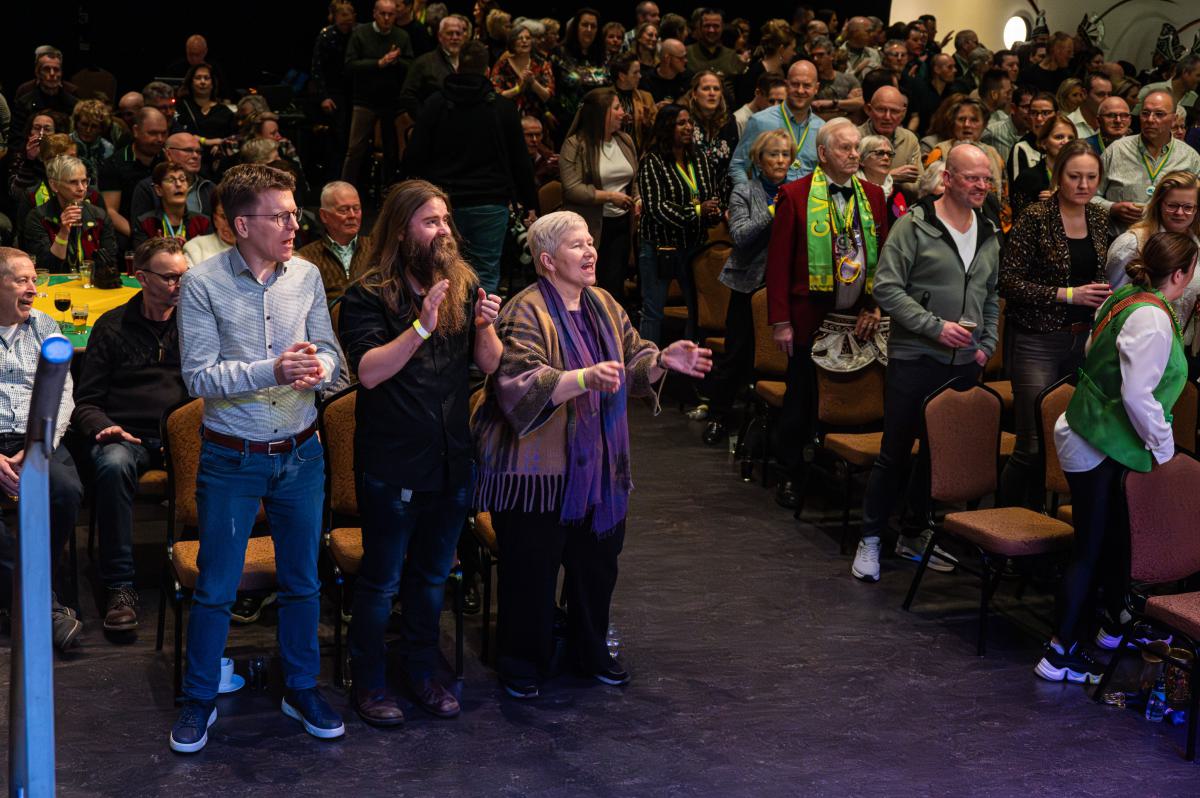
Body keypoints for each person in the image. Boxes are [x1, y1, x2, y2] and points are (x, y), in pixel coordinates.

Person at [471, 209, 711, 698]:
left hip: (600, 470)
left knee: (596, 570)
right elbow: (518, 383)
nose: (591, 252)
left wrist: (661, 361)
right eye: (577, 245)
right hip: (535, 476)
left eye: (590, 243)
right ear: (547, 260)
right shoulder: (524, 310)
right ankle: (522, 662)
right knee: (531, 576)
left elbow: (634, 357)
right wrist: (583, 378)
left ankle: (590, 649)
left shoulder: (603, 303)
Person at [170, 164, 343, 753]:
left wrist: (318, 367)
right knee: (217, 587)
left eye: (295, 214)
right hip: (232, 457)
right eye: (281, 216)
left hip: (302, 453)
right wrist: (274, 369)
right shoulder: (202, 283)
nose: (294, 225)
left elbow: (332, 356)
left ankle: (301, 687)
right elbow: (199, 377)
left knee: (303, 582)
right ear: (242, 225)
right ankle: (199, 698)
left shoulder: (308, 275)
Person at [338, 179, 501, 725]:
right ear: (402, 229)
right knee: (382, 581)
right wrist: (420, 328)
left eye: (446, 220)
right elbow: (368, 372)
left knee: (432, 579)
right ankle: (369, 683)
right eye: (431, 222)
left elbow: (489, 364)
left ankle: (422, 672)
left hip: (451, 458)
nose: (444, 231)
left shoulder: (461, 285)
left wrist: (485, 327)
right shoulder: (367, 294)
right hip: (393, 462)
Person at [1036, 231, 1198, 684]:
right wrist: (1164, 448)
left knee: (1112, 539)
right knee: (1089, 547)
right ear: (1181, 274)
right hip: (1096, 440)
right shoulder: (1154, 318)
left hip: (1092, 431)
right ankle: (1060, 652)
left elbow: (1095, 354)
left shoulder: (1127, 296)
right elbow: (1137, 396)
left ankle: (1112, 623)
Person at [852, 143, 1002, 583]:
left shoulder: (989, 230)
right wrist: (934, 327)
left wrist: (987, 343)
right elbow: (886, 288)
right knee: (896, 452)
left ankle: (913, 533)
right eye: (972, 178)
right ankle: (871, 538)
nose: (981, 186)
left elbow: (991, 293)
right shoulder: (914, 225)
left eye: (986, 179)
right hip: (916, 356)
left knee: (938, 455)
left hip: (965, 361)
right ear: (948, 179)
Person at [763, 118, 889, 508]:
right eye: (844, 148)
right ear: (822, 154)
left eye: (856, 148)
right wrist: (781, 321)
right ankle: (790, 473)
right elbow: (778, 264)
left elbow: (885, 257)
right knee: (801, 398)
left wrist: (877, 305)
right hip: (809, 316)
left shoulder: (874, 195)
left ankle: (834, 466)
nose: (854, 154)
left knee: (849, 398)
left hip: (857, 316)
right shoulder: (794, 195)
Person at [72, 237, 192, 634]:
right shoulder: (112, 327)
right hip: (129, 436)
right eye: (170, 277)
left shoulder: (196, 323)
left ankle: (206, 570)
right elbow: (85, 401)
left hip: (184, 435)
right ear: (141, 278)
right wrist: (103, 427)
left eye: (185, 276)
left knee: (228, 458)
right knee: (112, 463)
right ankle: (120, 586)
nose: (179, 285)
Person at [998, 140, 1112, 508]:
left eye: (1091, 177)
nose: (1083, 185)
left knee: (1073, 440)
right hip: (1037, 339)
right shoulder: (1035, 216)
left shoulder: (1098, 217)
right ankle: (1004, 524)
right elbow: (1008, 282)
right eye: (1075, 176)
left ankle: (1047, 525)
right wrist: (1068, 295)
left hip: (1083, 342)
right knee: (1033, 444)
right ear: (1058, 176)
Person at [0, 247, 84, 652]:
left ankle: (17, 600)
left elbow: (64, 392)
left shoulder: (45, 326)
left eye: (35, 279)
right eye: (22, 280)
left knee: (66, 491)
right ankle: (42, 606)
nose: (33, 288)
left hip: (38, 434)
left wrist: (41, 442)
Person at [405, 41, 538, 295]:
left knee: (439, 270)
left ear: (457, 67)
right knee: (485, 274)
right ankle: (481, 320)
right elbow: (520, 161)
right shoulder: (503, 108)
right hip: (490, 204)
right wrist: (530, 202)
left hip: (442, 203)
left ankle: (443, 318)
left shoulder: (435, 104)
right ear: (487, 70)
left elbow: (415, 156)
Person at [701, 129, 793, 445]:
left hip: (784, 286)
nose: (780, 160)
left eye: (785, 154)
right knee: (737, 353)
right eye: (773, 154)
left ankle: (777, 427)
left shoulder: (798, 191)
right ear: (759, 160)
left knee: (782, 356)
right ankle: (718, 416)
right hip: (747, 283)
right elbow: (740, 235)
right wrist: (774, 209)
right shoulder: (744, 191)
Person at [636, 104, 720, 343]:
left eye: (690, 122)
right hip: (660, 247)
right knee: (653, 310)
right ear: (667, 127)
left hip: (694, 246)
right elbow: (656, 208)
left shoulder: (699, 158)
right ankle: (646, 359)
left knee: (697, 309)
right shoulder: (652, 161)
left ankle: (690, 358)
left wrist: (714, 211)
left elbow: (710, 194)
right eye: (681, 123)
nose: (689, 127)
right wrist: (697, 211)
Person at [1105, 172, 1200, 355]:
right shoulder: (1131, 244)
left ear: (1196, 209)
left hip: (1184, 349)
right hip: (1136, 348)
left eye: (1188, 207)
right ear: (1158, 204)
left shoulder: (1197, 245)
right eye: (1172, 205)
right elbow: (1111, 302)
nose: (1180, 213)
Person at [559, 88, 639, 302]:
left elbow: (634, 179)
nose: (623, 113)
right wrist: (610, 196)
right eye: (617, 108)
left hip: (621, 225)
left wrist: (638, 198)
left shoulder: (625, 141)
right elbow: (572, 188)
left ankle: (612, 323)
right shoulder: (575, 144)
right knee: (587, 288)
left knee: (614, 287)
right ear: (602, 113)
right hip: (589, 226)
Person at [1095, 91, 1200, 233]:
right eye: (1145, 113)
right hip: (1121, 240)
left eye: (1159, 114)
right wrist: (1112, 208)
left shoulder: (1190, 157)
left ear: (1174, 119)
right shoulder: (1117, 150)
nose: (1150, 119)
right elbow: (1089, 197)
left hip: (1170, 242)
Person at [341, 0, 414, 190]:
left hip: (390, 101)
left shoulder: (402, 36)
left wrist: (396, 61)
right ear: (374, 13)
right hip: (364, 100)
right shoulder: (361, 33)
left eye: (391, 14)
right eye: (383, 14)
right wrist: (378, 63)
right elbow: (349, 65)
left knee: (391, 150)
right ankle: (344, 189)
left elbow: (411, 65)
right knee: (355, 149)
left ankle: (389, 192)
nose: (387, 18)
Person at [731, 61, 824, 188]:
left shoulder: (822, 129)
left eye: (807, 85)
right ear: (786, 85)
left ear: (816, 88)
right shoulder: (760, 121)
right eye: (795, 84)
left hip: (808, 199)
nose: (800, 90)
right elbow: (738, 165)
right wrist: (749, 195)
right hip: (768, 198)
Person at [23, 154, 118, 276]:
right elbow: (45, 269)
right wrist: (63, 232)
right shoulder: (38, 218)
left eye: (84, 181)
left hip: (91, 283)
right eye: (73, 182)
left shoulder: (99, 216)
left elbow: (111, 265)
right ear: (54, 185)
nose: (81, 188)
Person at [296, 181, 372, 302]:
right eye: (343, 210)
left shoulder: (377, 248)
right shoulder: (306, 257)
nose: (352, 215)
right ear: (324, 215)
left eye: (356, 209)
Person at [100, 107, 168, 240]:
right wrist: (141, 237)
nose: (160, 139)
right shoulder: (114, 164)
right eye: (153, 133)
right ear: (136, 131)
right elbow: (110, 211)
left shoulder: (166, 160)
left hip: (165, 232)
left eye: (164, 133)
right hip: (129, 236)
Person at [923, 96, 1007, 203]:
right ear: (953, 123)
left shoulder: (995, 156)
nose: (967, 125)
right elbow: (926, 194)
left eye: (974, 120)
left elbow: (1004, 201)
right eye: (961, 119)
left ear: (984, 125)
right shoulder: (939, 153)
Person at [311, 1, 358, 173]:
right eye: (342, 16)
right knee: (338, 136)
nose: (346, 20)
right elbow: (317, 68)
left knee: (353, 137)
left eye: (349, 16)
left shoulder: (358, 33)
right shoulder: (326, 35)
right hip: (334, 92)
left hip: (355, 92)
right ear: (335, 17)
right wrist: (323, 96)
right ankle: (335, 175)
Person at [129, 132, 215, 223]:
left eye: (199, 152)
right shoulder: (148, 188)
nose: (195, 156)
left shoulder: (210, 188)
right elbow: (141, 226)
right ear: (168, 154)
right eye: (188, 150)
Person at [1010, 114, 1077, 223]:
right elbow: (1020, 222)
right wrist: (1051, 206)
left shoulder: (1081, 176)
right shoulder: (1027, 178)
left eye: (1071, 138)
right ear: (1044, 143)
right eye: (1059, 137)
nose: (1066, 142)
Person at [399, 14, 467, 118]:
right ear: (440, 36)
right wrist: (425, 119)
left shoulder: (470, 62)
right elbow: (407, 96)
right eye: (450, 33)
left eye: (458, 34)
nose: (454, 38)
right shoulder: (423, 63)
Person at [857, 85, 922, 193]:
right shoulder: (854, 138)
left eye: (894, 111)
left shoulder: (909, 139)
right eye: (881, 110)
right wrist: (891, 177)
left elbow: (919, 185)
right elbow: (849, 182)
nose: (887, 117)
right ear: (868, 109)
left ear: (903, 113)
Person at [132, 162, 211, 249]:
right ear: (158, 190)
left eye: (182, 179)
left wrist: (188, 250)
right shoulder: (146, 223)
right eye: (171, 180)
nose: (178, 184)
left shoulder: (203, 223)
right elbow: (141, 256)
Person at [552, 9, 609, 127]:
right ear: (576, 27)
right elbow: (551, 87)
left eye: (593, 26)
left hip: (597, 121)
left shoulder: (603, 56)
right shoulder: (559, 53)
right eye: (584, 25)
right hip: (566, 122)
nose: (589, 29)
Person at [10, 48, 77, 145]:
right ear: (37, 73)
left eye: (56, 69)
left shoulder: (73, 103)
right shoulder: (24, 103)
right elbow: (15, 139)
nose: (52, 73)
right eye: (46, 69)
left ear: (61, 73)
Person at [490, 24, 555, 122]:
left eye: (528, 38)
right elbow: (494, 96)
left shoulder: (542, 64)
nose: (524, 41)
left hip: (536, 120)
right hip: (508, 118)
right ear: (512, 42)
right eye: (519, 38)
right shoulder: (502, 65)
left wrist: (533, 82)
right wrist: (517, 89)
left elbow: (547, 96)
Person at [685, 71, 738, 186]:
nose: (712, 93)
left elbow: (735, 162)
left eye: (716, 89)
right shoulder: (685, 121)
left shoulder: (729, 121)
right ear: (694, 94)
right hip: (691, 189)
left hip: (723, 190)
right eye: (706, 88)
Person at [175, 62, 236, 154]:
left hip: (216, 158)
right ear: (191, 82)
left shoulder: (224, 112)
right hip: (186, 156)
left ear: (212, 83)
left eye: (206, 78)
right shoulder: (180, 107)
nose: (202, 82)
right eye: (198, 78)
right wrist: (206, 141)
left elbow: (232, 138)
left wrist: (221, 145)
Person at [686, 8, 746, 100]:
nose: (711, 30)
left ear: (722, 28)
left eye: (716, 26)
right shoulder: (686, 54)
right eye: (707, 26)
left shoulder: (732, 56)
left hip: (727, 108)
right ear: (700, 28)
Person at [734, 20, 795, 108]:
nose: (794, 53)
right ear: (781, 49)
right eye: (792, 49)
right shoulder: (754, 74)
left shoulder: (786, 70)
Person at [609, 51, 655, 153]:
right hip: (612, 152)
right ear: (622, 76)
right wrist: (618, 122)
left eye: (639, 72)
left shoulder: (646, 98)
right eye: (635, 73)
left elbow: (657, 135)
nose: (640, 76)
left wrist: (647, 124)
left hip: (638, 154)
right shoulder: (606, 98)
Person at [857, 134, 908, 224]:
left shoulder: (898, 192)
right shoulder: (853, 188)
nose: (886, 158)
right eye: (879, 153)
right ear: (861, 160)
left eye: (889, 154)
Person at [808, 36, 863, 119]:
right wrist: (847, 106)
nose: (815, 59)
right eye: (813, 56)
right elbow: (812, 114)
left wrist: (833, 103)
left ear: (832, 55)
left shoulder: (849, 79)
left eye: (820, 55)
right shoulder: (809, 83)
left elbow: (860, 103)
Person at [1007, 91, 1056, 182]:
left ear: (1057, 115)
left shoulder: (1064, 143)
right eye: (1033, 113)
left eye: (1045, 113)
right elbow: (1018, 187)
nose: (1039, 118)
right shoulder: (1022, 148)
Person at [183, 193, 235, 266]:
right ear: (215, 218)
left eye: (235, 217)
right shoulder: (196, 247)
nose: (229, 223)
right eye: (223, 217)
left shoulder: (252, 248)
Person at [733, 72, 786, 137]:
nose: (776, 107)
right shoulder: (739, 120)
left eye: (781, 101)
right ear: (757, 93)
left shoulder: (779, 117)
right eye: (771, 101)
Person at [1020, 31, 1073, 95]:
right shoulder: (1028, 75)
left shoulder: (1066, 76)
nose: (1071, 56)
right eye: (1068, 52)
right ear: (1055, 50)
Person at [639, 38, 691, 105]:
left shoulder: (688, 77)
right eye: (681, 58)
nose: (686, 60)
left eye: (685, 56)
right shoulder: (646, 81)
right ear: (667, 58)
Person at [1067, 72, 1112, 142]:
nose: (1107, 100)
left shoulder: (1114, 123)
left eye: (1109, 94)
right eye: (1100, 94)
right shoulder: (1068, 124)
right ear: (1084, 93)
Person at [523, 115, 560, 188]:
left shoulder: (550, 160)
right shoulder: (509, 161)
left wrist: (563, 169)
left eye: (538, 135)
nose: (534, 139)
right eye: (529, 135)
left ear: (542, 136)